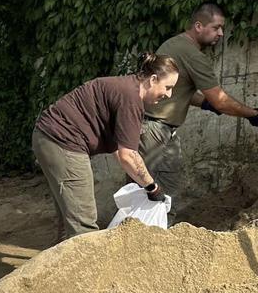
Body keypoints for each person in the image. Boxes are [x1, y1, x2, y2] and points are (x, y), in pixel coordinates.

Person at [32, 55, 179, 241]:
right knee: (83, 225)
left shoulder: (127, 88)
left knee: (70, 217)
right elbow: (128, 156)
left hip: (48, 137)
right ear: (153, 80)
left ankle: (61, 267)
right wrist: (152, 187)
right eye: (168, 87)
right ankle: (87, 269)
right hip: (63, 141)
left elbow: (119, 150)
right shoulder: (131, 99)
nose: (169, 95)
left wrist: (144, 184)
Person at [140, 3, 258, 207]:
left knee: (154, 194)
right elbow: (220, 101)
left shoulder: (173, 44)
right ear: (198, 26)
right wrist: (253, 114)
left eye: (222, 28)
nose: (221, 33)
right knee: (153, 197)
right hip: (155, 131)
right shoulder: (193, 55)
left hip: (153, 128)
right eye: (216, 27)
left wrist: (205, 103)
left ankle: (149, 236)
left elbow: (177, 90)